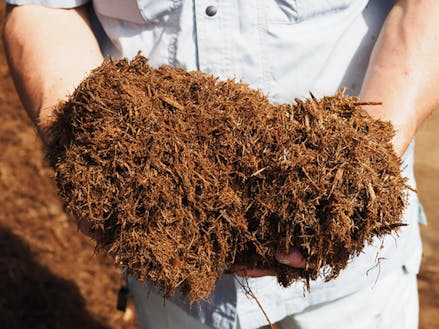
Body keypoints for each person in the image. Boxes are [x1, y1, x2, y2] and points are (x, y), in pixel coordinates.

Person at [2, 1, 437, 328]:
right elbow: (45, 8)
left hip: (347, 259)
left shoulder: (343, 190)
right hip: (164, 240)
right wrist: (89, 152)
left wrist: (361, 168)